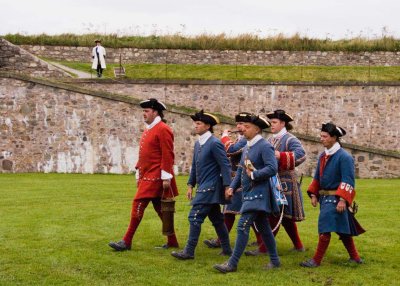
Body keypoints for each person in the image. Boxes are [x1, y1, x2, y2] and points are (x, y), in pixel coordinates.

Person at [109, 98, 179, 251]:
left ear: (155, 112)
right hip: (147, 174)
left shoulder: (163, 128)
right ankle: (172, 241)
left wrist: (166, 176)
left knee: (138, 204)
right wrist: (138, 172)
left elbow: (168, 154)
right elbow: (144, 154)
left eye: (146, 111)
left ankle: (126, 241)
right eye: (143, 111)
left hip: (155, 176)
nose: (144, 114)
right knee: (161, 210)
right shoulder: (150, 128)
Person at [214, 114, 281, 273]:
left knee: (242, 226)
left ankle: (232, 263)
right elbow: (240, 170)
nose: (242, 129)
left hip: (259, 194)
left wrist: (255, 175)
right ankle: (275, 261)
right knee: (264, 228)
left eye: (247, 126)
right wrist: (232, 186)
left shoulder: (265, 146)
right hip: (249, 194)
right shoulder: (248, 146)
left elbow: (272, 168)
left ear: (257, 129)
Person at [300, 122, 364, 267]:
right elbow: (317, 177)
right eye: (321, 136)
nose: (321, 139)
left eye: (325, 136)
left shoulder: (344, 157)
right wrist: (314, 194)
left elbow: (348, 180)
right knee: (343, 230)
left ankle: (316, 260)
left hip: (336, 199)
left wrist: (342, 199)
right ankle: (355, 258)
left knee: (325, 228)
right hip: (324, 199)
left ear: (334, 138)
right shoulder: (323, 155)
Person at [171, 110, 232, 260]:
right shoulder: (199, 143)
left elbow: (225, 165)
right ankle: (227, 249)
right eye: (195, 123)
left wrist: (227, 186)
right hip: (203, 186)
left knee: (195, 217)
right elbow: (195, 166)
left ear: (207, 126)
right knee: (217, 219)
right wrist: (190, 184)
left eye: (198, 123)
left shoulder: (215, 143)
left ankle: (189, 252)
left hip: (211, 187)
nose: (195, 126)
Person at [203, 112, 267, 255]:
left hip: (248, 182)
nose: (239, 127)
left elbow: (231, 151)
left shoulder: (249, 141)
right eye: (238, 124)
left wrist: (225, 137)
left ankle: (232, 247)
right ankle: (262, 244)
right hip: (238, 179)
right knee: (236, 213)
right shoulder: (244, 139)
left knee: (240, 213)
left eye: (243, 124)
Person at [245, 109, 306, 254]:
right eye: (271, 122)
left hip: (285, 182)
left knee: (276, 214)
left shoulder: (291, 139)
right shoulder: (270, 140)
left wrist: (280, 155)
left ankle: (264, 248)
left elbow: (301, 155)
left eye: (274, 122)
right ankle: (298, 246)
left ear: (283, 123)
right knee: (284, 218)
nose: (271, 125)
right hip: (272, 181)